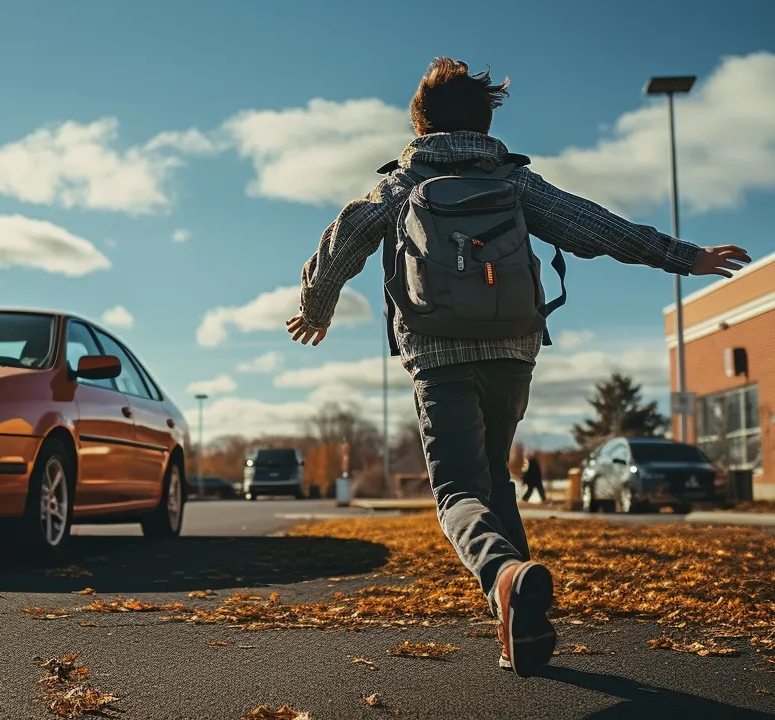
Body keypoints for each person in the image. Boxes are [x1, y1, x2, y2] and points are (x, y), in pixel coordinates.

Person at [285, 57, 749, 678]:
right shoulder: (513, 182)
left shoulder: (400, 186)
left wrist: (316, 307)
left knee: (456, 489)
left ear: (419, 123)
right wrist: (684, 256)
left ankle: (504, 578)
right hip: (512, 349)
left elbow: (342, 239)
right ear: (484, 119)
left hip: (437, 353)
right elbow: (598, 228)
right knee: (496, 479)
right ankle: (521, 620)